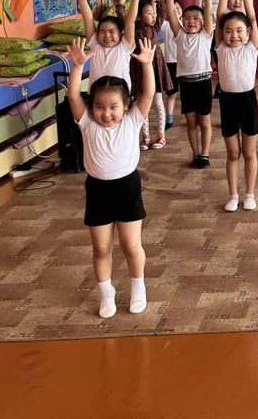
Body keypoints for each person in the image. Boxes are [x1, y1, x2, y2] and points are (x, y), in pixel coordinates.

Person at [68, 35, 157, 318]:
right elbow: (73, 96)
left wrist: (147, 65)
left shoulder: (132, 120)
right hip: (98, 189)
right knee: (101, 247)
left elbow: (148, 94)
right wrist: (77, 67)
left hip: (127, 187)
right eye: (99, 106)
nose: (106, 113)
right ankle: (106, 294)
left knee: (131, 245)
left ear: (126, 105)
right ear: (91, 107)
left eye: (113, 107)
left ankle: (138, 287)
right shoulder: (87, 123)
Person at [216, 0, 258, 213]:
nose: (234, 35)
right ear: (222, 34)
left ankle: (250, 194)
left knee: (249, 152)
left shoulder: (251, 47)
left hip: (247, 100)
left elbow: (252, 18)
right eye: (229, 31)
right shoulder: (221, 48)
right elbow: (219, 17)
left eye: (239, 31)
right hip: (228, 101)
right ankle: (233, 194)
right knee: (233, 153)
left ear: (248, 33)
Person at [163, 0, 215, 169]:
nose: (191, 21)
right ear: (182, 20)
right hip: (187, 84)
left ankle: (205, 154)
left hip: (203, 83)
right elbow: (171, 15)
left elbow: (208, 13)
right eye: (187, 18)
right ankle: (196, 154)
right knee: (191, 121)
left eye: (196, 18)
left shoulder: (206, 35)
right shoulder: (180, 36)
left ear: (203, 22)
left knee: (205, 122)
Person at [78, 0, 143, 91]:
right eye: (102, 32)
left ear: (121, 34)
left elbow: (130, 22)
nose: (107, 36)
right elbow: (88, 17)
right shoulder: (95, 45)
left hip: (120, 97)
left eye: (111, 32)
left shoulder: (124, 47)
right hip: (96, 98)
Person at [130, 0, 173, 150]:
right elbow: (125, 18)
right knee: (142, 104)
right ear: (139, 16)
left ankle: (161, 135)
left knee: (158, 102)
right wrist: (120, 4)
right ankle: (145, 137)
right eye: (149, 13)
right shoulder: (134, 28)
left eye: (153, 13)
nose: (153, 16)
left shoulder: (155, 28)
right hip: (138, 68)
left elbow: (162, 11)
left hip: (155, 67)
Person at [158, 0, 182, 130]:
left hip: (185, 64)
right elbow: (156, 13)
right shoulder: (166, 25)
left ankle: (192, 117)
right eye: (173, 8)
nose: (176, 10)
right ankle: (169, 118)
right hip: (171, 63)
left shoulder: (186, 23)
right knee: (172, 94)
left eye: (178, 7)